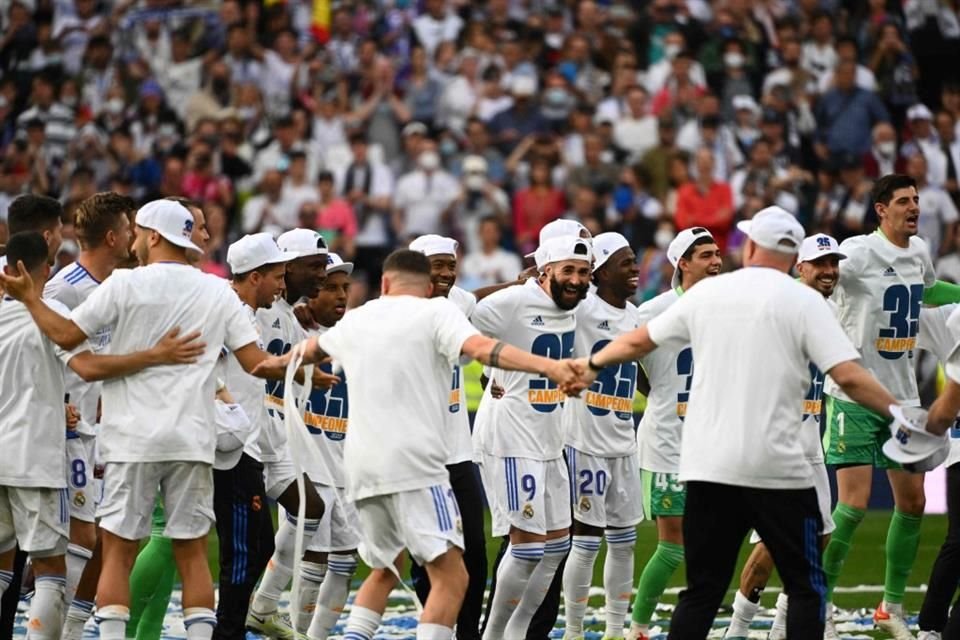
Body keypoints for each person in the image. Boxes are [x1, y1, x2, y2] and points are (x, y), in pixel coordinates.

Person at [567, 206, 903, 639]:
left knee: (702, 590)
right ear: (793, 256)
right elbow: (851, 377)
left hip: (710, 465)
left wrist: (590, 364)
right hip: (777, 465)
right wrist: (902, 414)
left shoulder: (709, 295)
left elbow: (637, 340)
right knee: (806, 586)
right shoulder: (802, 301)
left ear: (750, 247)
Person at [0, 200, 303, 640]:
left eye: (138, 231)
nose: (132, 239)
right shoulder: (217, 291)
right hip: (193, 439)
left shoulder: (124, 284)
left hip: (130, 440)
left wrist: (30, 297)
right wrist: (307, 358)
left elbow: (68, 338)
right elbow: (259, 363)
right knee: (193, 554)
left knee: (119, 552)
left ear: (155, 236)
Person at [251, 249, 582, 640]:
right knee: (452, 576)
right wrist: (549, 366)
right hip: (416, 466)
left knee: (385, 570)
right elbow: (484, 350)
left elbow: (291, 358)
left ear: (385, 284)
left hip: (361, 469)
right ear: (427, 286)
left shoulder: (358, 319)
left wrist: (258, 365)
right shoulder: (436, 313)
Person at [0, 229, 207, 639]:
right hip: (35, 458)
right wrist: (156, 355)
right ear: (48, 266)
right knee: (49, 569)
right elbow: (89, 368)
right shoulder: (54, 314)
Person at [820, 174, 960, 638]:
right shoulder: (857, 253)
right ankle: (814, 602)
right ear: (881, 209)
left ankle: (891, 608)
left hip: (903, 400)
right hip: (855, 394)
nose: (914, 207)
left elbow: (929, 292)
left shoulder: (919, 252)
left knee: (914, 502)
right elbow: (819, 279)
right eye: (904, 200)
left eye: (917, 200)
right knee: (853, 506)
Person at [724, 233, 847, 639]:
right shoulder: (781, 304)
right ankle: (738, 630)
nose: (829, 272)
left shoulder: (824, 307)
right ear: (801, 267)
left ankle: (781, 626)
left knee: (822, 535)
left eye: (834, 264)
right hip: (775, 446)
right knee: (776, 544)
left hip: (809, 440)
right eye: (821, 264)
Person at [473, 235, 593, 640]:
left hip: (549, 441)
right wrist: (492, 376)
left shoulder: (574, 308)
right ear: (545, 271)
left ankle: (517, 634)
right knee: (526, 549)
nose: (576, 280)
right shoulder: (513, 302)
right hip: (510, 439)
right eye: (568, 271)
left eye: (583, 271)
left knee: (558, 547)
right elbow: (458, 318)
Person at [42, 192, 136, 637]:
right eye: (129, 227)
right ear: (113, 236)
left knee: (99, 536)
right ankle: (63, 629)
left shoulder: (113, 289)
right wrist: (57, 403)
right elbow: (35, 348)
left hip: (102, 432)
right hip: (67, 433)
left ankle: (62, 622)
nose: (135, 235)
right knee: (82, 538)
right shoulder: (64, 287)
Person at [627, 227, 722, 640]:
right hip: (667, 443)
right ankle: (638, 627)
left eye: (717, 253)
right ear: (682, 263)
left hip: (713, 445)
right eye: (705, 254)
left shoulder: (729, 306)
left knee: (712, 546)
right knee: (672, 546)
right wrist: (662, 395)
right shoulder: (654, 311)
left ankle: (692, 623)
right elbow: (628, 361)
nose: (716, 260)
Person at [248, 228, 331, 638]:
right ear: (287, 266)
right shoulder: (257, 307)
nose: (322, 275)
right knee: (242, 540)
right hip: (248, 429)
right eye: (314, 267)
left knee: (311, 508)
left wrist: (312, 378)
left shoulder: (291, 316)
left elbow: (298, 362)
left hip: (276, 433)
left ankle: (262, 606)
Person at [560, 232, 643, 640]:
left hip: (623, 439)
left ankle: (614, 630)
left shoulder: (635, 316)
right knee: (587, 540)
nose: (635, 269)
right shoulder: (580, 309)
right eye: (626, 262)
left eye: (634, 261)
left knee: (625, 541)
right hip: (584, 440)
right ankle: (574, 630)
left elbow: (642, 375)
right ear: (601, 270)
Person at [216, 233, 297, 640]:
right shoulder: (228, 309)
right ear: (255, 277)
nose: (282, 286)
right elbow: (252, 366)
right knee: (244, 553)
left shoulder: (242, 311)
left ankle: (231, 626)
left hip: (244, 445)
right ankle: (226, 633)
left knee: (257, 547)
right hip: (229, 449)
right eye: (277, 276)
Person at [407, 235, 486, 640]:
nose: (446, 273)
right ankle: (435, 624)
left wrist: (522, 283)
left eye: (451, 265)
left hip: (458, 453)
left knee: (475, 552)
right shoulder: (398, 313)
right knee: (427, 558)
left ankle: (467, 633)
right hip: (418, 456)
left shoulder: (458, 303)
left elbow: (478, 299)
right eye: (438, 265)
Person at [300, 252, 361, 640]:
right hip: (310, 464)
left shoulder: (357, 334)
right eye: (330, 288)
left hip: (348, 466)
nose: (341, 296)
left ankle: (314, 636)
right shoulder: (294, 332)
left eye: (345, 289)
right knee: (314, 558)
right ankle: (296, 631)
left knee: (347, 561)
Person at [912, 303, 960, 640]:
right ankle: (934, 625)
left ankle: (933, 623)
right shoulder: (953, 316)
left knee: (958, 541)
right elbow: (908, 316)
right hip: (959, 446)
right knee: (958, 541)